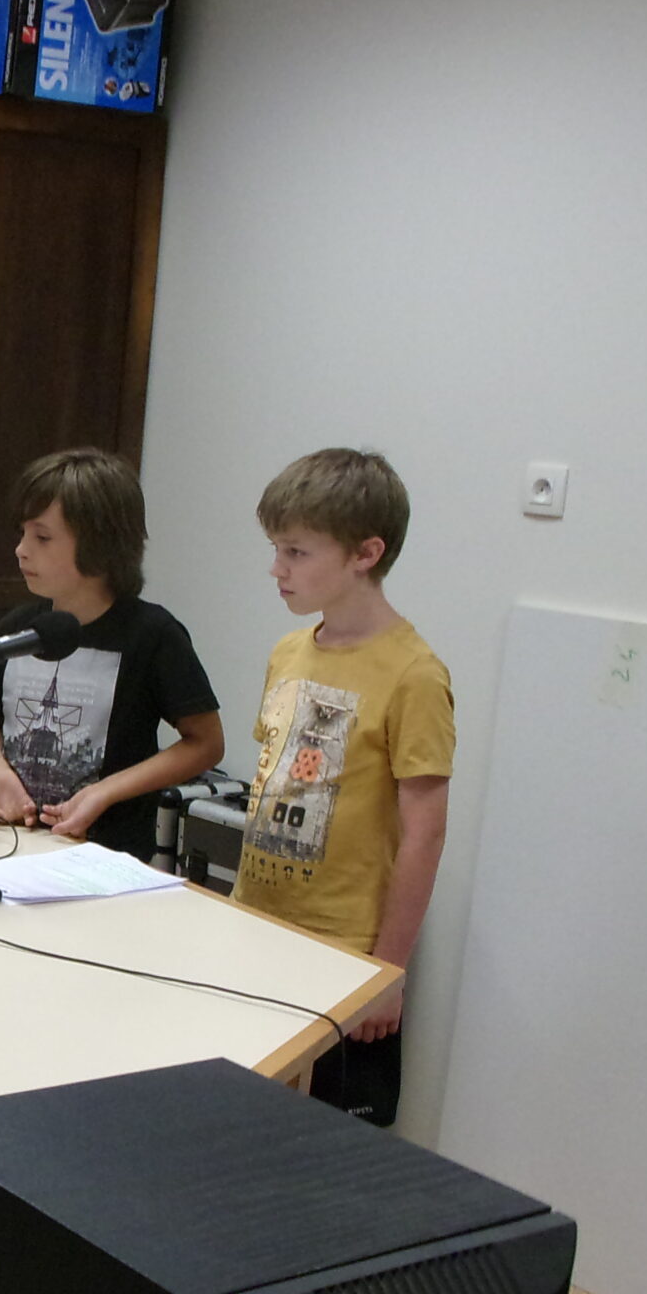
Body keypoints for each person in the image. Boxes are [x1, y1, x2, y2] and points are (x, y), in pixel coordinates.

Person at [234, 448, 454, 1127]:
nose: (277, 569)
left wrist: (387, 972)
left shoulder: (414, 674)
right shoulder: (288, 652)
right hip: (254, 924)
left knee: (313, 1142)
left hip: (340, 949)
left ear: (365, 553)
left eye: (297, 552)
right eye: (276, 549)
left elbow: (425, 832)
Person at [0, 448, 224, 859]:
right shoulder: (17, 627)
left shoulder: (152, 635)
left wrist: (105, 791)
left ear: (99, 544)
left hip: (105, 856)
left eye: (42, 537)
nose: (21, 549)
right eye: (22, 534)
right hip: (10, 843)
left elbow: (206, 743)